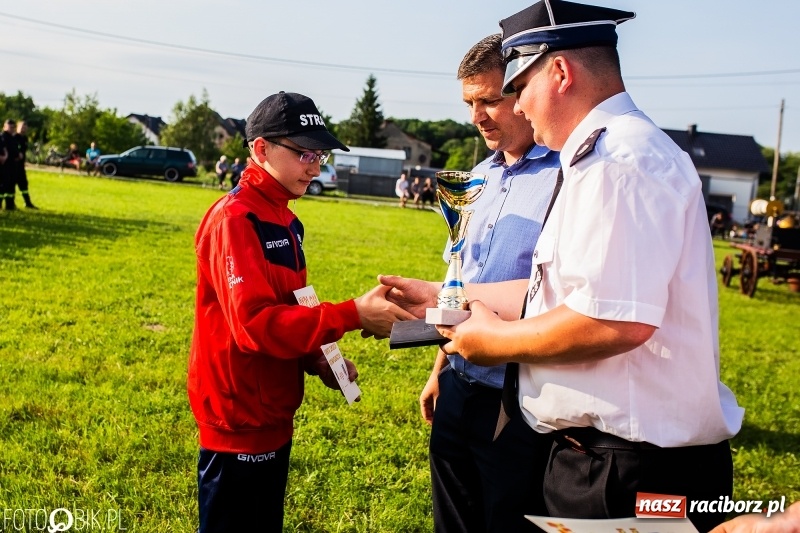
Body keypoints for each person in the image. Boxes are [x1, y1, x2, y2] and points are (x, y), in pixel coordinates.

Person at [382, 2, 743, 532]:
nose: (520, 106)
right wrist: (441, 293)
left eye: (519, 86)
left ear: (559, 72)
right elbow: (553, 293)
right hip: (605, 461)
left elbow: (615, 321)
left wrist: (491, 344)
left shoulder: (619, 163)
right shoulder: (602, 159)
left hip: (632, 471)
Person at [187, 91, 413, 533]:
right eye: (304, 152)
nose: (316, 165)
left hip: (272, 411)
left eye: (321, 153)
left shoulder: (286, 218)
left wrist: (319, 359)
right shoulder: (235, 219)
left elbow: (293, 304)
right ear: (260, 149)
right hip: (237, 419)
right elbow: (254, 327)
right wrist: (352, 314)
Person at [418, 33, 561, 533]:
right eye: (469, 103)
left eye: (489, 99)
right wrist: (440, 367)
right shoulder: (474, 178)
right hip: (459, 382)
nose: (476, 116)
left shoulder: (571, 177)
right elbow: (459, 278)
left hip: (521, 399)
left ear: (522, 91)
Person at [11, 121, 36, 209]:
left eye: (25, 127)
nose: (23, 129)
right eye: (22, 127)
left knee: (23, 184)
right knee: (11, 185)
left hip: (21, 166)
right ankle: (10, 203)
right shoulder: (14, 137)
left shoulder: (24, 138)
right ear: (17, 127)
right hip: (13, 165)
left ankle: (27, 202)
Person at [0, 120, 16, 210]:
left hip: (11, 165)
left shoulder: (12, 138)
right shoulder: (3, 137)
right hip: (4, 165)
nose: (11, 129)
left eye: (13, 127)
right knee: (2, 185)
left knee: (9, 186)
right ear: (4, 126)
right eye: (10, 126)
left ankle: (10, 205)